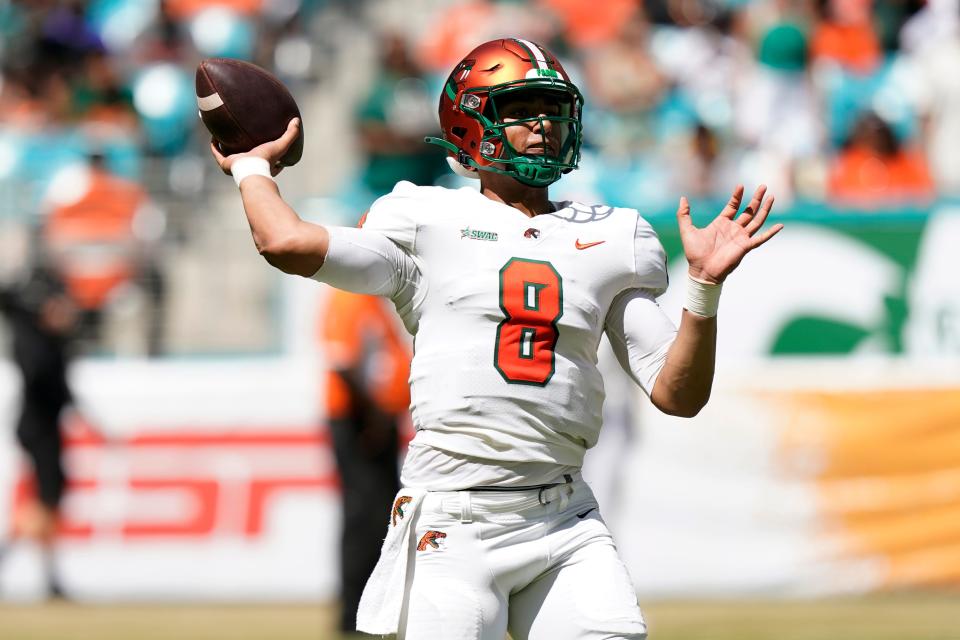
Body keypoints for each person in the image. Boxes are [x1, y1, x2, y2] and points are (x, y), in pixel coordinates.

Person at [211, 37, 781, 640]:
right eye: (520, 109)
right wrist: (251, 165)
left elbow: (678, 393)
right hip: (454, 517)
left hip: (565, 517)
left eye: (552, 108)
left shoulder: (616, 235)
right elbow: (287, 243)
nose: (543, 124)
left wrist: (702, 289)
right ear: (470, 121)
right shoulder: (424, 219)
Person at [319, 288, 411, 636]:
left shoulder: (370, 300)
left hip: (375, 418)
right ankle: (355, 615)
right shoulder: (347, 296)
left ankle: (381, 609)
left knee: (385, 516)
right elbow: (341, 362)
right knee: (363, 517)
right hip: (357, 419)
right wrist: (373, 415)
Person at [0, 265, 78, 599]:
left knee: (47, 503)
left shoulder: (47, 342)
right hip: (39, 429)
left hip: (41, 427)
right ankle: (45, 575)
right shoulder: (34, 343)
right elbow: (49, 384)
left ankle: (51, 577)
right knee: (45, 502)